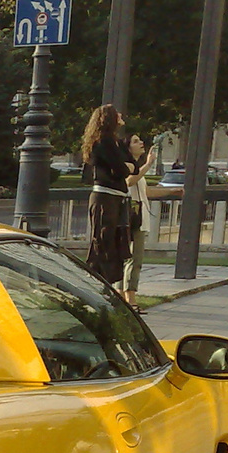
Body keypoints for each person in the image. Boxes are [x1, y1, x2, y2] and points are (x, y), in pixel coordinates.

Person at [81, 104, 134, 287]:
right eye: (117, 114)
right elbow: (123, 169)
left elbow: (132, 163)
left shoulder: (116, 141)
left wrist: (126, 166)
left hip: (116, 198)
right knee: (103, 243)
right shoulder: (103, 142)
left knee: (114, 242)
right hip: (105, 198)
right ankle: (97, 283)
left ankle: (103, 284)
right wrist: (125, 167)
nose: (121, 115)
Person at [122, 132, 157, 305]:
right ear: (128, 148)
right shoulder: (128, 166)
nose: (141, 142)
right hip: (134, 217)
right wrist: (149, 164)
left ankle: (124, 297)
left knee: (134, 258)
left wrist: (173, 192)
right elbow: (129, 181)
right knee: (134, 259)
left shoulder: (137, 167)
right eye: (136, 141)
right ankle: (130, 300)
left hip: (140, 217)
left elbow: (146, 192)